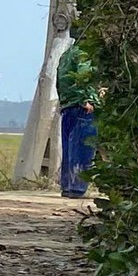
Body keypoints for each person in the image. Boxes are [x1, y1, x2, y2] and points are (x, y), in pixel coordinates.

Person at [56, 30, 97, 198]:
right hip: (81, 106)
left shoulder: (67, 54)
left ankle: (68, 185)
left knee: (69, 148)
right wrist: (87, 98)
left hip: (68, 106)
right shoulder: (83, 53)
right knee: (82, 148)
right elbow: (83, 75)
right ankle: (78, 187)